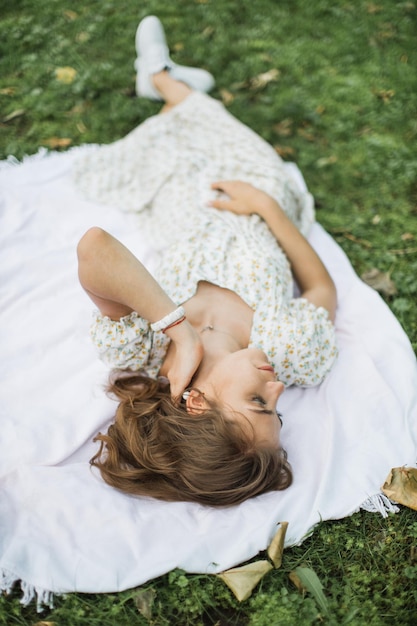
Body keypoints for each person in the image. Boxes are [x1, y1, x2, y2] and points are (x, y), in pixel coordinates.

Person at [76, 16, 338, 507]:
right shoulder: (290, 349)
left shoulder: (144, 348)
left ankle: (164, 82)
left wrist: (179, 329)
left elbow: (94, 248)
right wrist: (268, 207)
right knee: (224, 136)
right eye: (277, 411)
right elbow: (322, 290)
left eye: (259, 402)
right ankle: (165, 81)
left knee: (176, 150)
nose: (278, 388)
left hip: (183, 203)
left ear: (194, 402)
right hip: (257, 195)